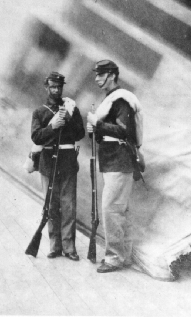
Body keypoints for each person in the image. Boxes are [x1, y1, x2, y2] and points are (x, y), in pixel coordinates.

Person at [87, 60, 144, 273]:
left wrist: (97, 124)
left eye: (100, 75)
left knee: (111, 210)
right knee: (120, 210)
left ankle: (114, 258)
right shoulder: (109, 99)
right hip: (111, 160)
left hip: (120, 160)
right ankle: (124, 256)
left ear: (111, 75)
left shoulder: (121, 100)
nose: (96, 79)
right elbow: (107, 133)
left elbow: (124, 132)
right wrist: (95, 130)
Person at [31, 71, 85, 261]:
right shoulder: (39, 112)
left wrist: (68, 120)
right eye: (52, 87)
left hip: (68, 161)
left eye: (59, 87)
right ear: (47, 88)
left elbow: (80, 134)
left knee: (68, 205)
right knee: (51, 205)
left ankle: (69, 248)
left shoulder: (71, 108)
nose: (56, 90)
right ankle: (55, 245)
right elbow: (36, 137)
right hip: (48, 162)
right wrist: (52, 127)